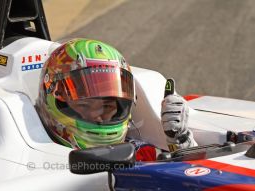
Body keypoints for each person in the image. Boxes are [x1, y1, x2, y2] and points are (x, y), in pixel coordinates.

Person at [36, 38, 196, 161]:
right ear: (56, 99)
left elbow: (190, 175)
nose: (99, 115)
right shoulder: (35, 158)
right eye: (85, 105)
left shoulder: (140, 154)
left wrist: (181, 142)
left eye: (108, 106)